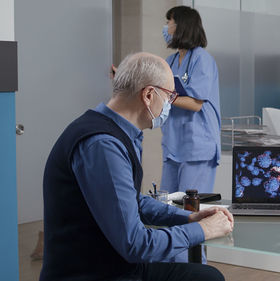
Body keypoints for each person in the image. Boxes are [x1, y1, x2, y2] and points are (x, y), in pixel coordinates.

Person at [40, 52, 233, 281]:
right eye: (170, 96)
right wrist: (204, 230)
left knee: (207, 276)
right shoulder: (103, 145)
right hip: (92, 274)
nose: (170, 104)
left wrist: (188, 218)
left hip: (114, 265)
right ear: (149, 95)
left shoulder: (118, 133)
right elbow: (135, 244)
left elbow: (131, 201)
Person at [160, 6, 221, 195]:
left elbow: (195, 104)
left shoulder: (202, 59)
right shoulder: (170, 61)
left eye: (169, 23)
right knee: (167, 207)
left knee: (190, 210)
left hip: (197, 146)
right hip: (173, 144)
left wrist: (164, 95)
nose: (166, 28)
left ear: (181, 26)